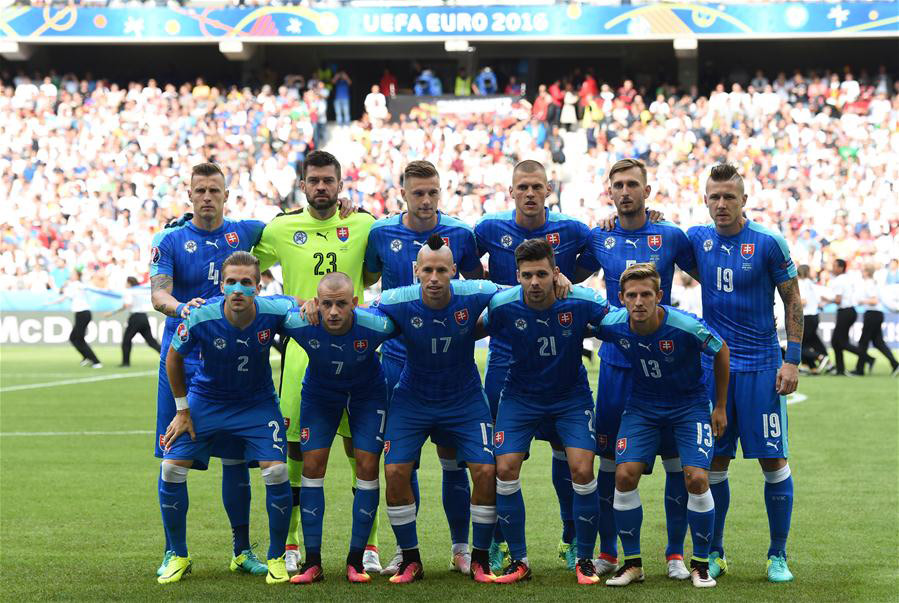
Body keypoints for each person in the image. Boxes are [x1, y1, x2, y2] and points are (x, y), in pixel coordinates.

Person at [252, 150, 382, 573]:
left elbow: (382, 266)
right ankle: (291, 542)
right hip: (303, 356)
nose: (321, 187)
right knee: (295, 448)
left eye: (329, 180)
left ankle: (370, 545)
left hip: (357, 354)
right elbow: (244, 262)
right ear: (303, 185)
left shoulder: (364, 224)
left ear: (340, 185)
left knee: (360, 450)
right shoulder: (281, 228)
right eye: (314, 180)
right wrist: (287, 302)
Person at [573, 158, 699, 579]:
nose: (625, 192)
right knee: (610, 462)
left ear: (647, 191)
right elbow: (563, 277)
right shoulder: (598, 238)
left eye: (632, 185)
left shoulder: (671, 236)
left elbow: (712, 279)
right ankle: (611, 551)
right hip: (617, 366)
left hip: (667, 368)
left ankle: (675, 554)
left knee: (675, 462)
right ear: (610, 192)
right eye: (618, 185)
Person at [363, 160, 484, 576]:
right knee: (403, 461)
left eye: (433, 192)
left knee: (453, 459)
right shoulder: (380, 233)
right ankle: (405, 550)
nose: (427, 200)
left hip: (451, 363)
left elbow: (475, 289)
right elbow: (367, 278)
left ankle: (460, 548)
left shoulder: (461, 234)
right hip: (398, 361)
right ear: (403, 194)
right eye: (418, 193)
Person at [687, 163, 803, 583]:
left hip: (761, 367)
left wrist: (792, 359)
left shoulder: (768, 242)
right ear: (705, 200)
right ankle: (714, 552)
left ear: (744, 201)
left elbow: (793, 300)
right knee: (714, 461)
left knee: (773, 460)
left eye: (729, 197)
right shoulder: (696, 239)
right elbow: (654, 240)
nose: (721, 204)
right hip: (713, 369)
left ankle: (778, 555)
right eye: (714, 196)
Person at [149, 162, 267, 578]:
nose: (206, 197)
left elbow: (294, 224)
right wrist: (183, 308)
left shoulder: (245, 232)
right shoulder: (170, 239)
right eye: (200, 190)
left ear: (226, 195)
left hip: (230, 364)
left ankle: (241, 551)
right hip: (181, 361)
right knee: (173, 460)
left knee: (235, 460)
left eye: (214, 190)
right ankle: (175, 553)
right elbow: (158, 294)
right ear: (189, 195)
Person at [474, 159, 587, 572]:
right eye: (522, 187)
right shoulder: (490, 228)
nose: (529, 193)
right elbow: (466, 260)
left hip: (557, 354)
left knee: (566, 452)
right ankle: (501, 542)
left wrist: (566, 280)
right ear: (511, 191)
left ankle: (571, 537)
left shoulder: (571, 230)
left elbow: (599, 252)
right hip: (506, 355)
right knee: (502, 457)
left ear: (548, 190)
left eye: (537, 186)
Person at [157, 252, 294, 584]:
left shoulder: (274, 310)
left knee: (276, 471)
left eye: (246, 283)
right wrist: (182, 410)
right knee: (171, 468)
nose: (238, 289)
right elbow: (173, 358)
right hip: (207, 401)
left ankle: (275, 557)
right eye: (231, 282)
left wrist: (313, 305)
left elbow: (300, 304)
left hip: (257, 403)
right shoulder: (202, 315)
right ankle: (178, 554)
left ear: (258, 287)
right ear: (222, 285)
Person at [480, 238, 610, 585]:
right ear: (517, 276)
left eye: (541, 274)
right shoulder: (503, 304)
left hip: (570, 397)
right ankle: (518, 560)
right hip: (520, 396)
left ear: (556, 273)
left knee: (582, 469)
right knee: (505, 468)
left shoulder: (580, 300)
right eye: (527, 275)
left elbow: (619, 322)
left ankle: (584, 559)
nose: (534, 282)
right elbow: (472, 328)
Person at [372, 235, 499, 584]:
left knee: (485, 471)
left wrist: (560, 280)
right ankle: (410, 559)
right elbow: (359, 315)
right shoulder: (397, 299)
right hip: (413, 398)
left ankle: (477, 558)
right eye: (427, 270)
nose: (434, 278)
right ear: (415, 270)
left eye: (441, 270)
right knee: (395, 471)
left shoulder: (473, 292)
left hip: (464, 398)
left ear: (454, 270)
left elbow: (514, 294)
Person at [595, 263, 729, 589]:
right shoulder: (613, 324)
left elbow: (721, 349)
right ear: (621, 298)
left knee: (696, 477)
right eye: (631, 295)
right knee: (624, 475)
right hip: (642, 407)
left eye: (646, 294)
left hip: (689, 407)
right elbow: (581, 320)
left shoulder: (684, 325)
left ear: (659, 296)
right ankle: (632, 564)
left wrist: (720, 407)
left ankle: (700, 565)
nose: (639, 301)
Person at [284, 273, 397, 584]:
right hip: (320, 396)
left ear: (355, 303)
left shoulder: (376, 325)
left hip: (367, 395)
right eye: (326, 304)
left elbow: (410, 323)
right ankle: (313, 562)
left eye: (342, 304)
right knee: (312, 466)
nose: (333, 312)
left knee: (367, 467)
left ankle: (355, 561)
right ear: (317, 303)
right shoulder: (301, 323)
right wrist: (299, 302)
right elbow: (269, 307)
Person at [46, 268, 102, 368]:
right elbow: (63, 293)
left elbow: (62, 296)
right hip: (81, 314)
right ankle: (86, 357)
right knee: (74, 338)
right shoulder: (74, 285)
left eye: (72, 274)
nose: (70, 275)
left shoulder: (76, 285)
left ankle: (96, 361)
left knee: (78, 339)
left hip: (83, 313)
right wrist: (63, 286)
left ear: (77, 276)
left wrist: (50, 302)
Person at [853, 264, 899, 376]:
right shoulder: (872, 283)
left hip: (872, 314)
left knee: (863, 342)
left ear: (867, 272)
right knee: (878, 342)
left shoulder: (869, 284)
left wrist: (861, 301)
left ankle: (859, 369)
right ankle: (895, 364)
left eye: (863, 270)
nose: (861, 272)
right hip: (876, 314)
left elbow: (874, 301)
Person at [105, 276, 161, 367]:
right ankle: (167, 357)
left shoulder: (129, 291)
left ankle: (125, 362)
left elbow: (127, 304)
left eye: (126, 283)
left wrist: (112, 313)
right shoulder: (140, 291)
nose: (125, 284)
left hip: (135, 318)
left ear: (129, 283)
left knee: (126, 340)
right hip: (144, 317)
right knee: (151, 341)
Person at [826, 259, 860, 376]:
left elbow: (838, 300)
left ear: (841, 268)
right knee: (837, 342)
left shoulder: (839, 280)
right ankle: (840, 369)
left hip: (845, 311)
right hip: (849, 311)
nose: (833, 268)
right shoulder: (847, 278)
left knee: (839, 342)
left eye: (835, 266)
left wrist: (826, 299)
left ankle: (865, 356)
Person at [796, 265, 830, 373]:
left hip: (806, 316)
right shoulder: (810, 283)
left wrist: (790, 303)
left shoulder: (801, 284)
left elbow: (803, 302)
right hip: (814, 316)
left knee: (800, 344)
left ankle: (820, 357)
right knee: (812, 341)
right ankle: (811, 366)